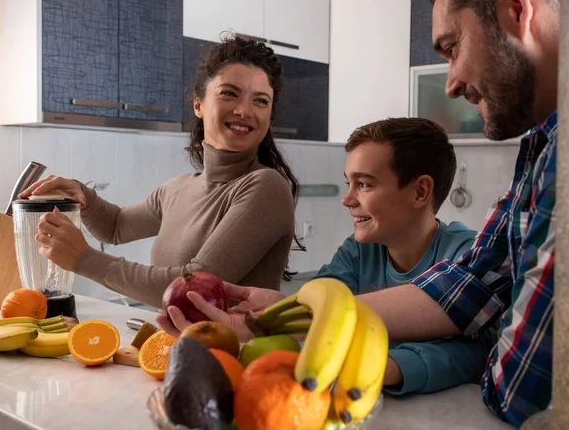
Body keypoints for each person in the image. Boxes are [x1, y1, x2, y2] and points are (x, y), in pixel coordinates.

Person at [159, 0, 561, 426]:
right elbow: (466, 291)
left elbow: (507, 374)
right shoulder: (541, 152)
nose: (451, 83)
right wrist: (280, 316)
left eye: (451, 47)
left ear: (514, 6)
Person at [158, 117, 497, 396]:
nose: (347, 199)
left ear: (420, 191)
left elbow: (479, 350)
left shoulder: (466, 254)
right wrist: (272, 316)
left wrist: (383, 366)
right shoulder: (359, 250)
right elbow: (319, 308)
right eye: (349, 183)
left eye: (364, 184)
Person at [19, 36, 302, 308]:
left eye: (261, 101)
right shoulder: (177, 189)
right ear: (198, 104)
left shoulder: (266, 187)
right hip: (182, 351)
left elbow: (195, 288)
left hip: (239, 356)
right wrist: (84, 195)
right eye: (229, 93)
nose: (244, 110)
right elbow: (115, 227)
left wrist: (84, 259)